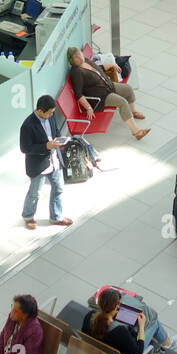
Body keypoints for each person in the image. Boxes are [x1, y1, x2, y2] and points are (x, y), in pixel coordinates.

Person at [67, 46, 149, 140]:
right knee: (122, 102)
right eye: (76, 57)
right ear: (72, 61)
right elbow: (78, 94)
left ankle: (133, 112)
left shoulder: (85, 60)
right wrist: (88, 107)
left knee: (128, 89)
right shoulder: (76, 72)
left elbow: (98, 68)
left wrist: (111, 65)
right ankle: (136, 132)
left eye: (79, 54)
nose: (80, 58)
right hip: (100, 96)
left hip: (108, 85)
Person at [19, 94, 72, 230]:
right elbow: (25, 148)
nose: (51, 115)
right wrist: (46, 146)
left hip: (54, 160)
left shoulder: (51, 116)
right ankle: (28, 216)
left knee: (58, 188)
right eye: (49, 113)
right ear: (40, 110)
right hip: (39, 165)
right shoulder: (27, 125)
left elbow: (55, 130)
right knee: (35, 193)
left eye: (52, 112)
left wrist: (60, 139)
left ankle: (56, 217)